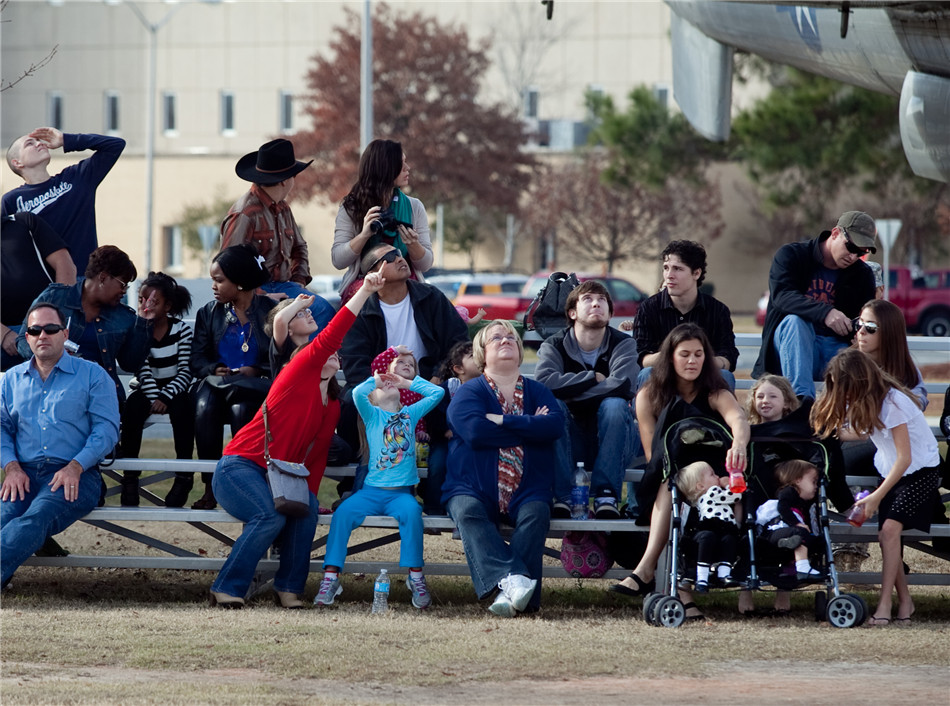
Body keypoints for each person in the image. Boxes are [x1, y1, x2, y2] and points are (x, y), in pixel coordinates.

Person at [208, 273, 385, 609]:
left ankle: (289, 588)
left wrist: (309, 496)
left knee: (305, 515)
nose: (335, 354)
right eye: (329, 351)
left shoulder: (331, 403)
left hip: (279, 475)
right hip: (240, 468)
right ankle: (226, 587)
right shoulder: (297, 368)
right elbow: (334, 332)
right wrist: (365, 289)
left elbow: (315, 457)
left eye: (337, 355)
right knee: (269, 517)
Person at [609, 324, 749, 622]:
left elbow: (737, 417)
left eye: (699, 354)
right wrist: (685, 479)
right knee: (669, 484)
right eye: (684, 354)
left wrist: (738, 443)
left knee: (682, 491)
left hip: (717, 482)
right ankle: (660, 577)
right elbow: (652, 455)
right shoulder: (649, 396)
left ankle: (653, 575)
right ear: (669, 358)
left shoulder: (715, 392)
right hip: (670, 474)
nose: (692, 361)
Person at [811, 348, 941, 626]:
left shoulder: (893, 401)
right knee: (887, 535)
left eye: (844, 387)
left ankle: (885, 605)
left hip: (919, 472)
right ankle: (905, 600)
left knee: (889, 531)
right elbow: (865, 430)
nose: (843, 395)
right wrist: (829, 433)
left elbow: (905, 458)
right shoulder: (868, 400)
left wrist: (876, 497)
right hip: (892, 469)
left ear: (858, 381)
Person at [443, 320, 564, 617]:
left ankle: (509, 594)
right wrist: (530, 426)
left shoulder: (538, 391)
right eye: (496, 337)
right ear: (482, 352)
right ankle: (516, 581)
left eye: (511, 337)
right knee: (467, 511)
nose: (505, 340)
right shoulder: (468, 393)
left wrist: (502, 420)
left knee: (536, 513)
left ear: (521, 352)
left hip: (528, 486)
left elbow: (555, 426)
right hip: (472, 486)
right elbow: (474, 432)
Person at [1, 303, 119, 587]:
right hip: (24, 475)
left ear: (64, 334)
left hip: (76, 475)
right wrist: (12, 467)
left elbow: (106, 431)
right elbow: (2, 429)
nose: (43, 335)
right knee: (4, 518)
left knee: (34, 518)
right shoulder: (10, 381)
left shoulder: (93, 375)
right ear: (26, 337)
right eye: (34, 330)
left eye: (50, 329)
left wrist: (76, 466)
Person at [313, 364, 443, 609]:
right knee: (342, 514)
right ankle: (331, 577)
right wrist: (376, 380)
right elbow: (356, 394)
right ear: (373, 398)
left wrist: (408, 383)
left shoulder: (410, 414)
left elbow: (437, 394)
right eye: (383, 387)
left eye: (392, 385)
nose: (389, 385)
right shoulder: (372, 415)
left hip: (401, 496)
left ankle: (415, 577)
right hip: (370, 493)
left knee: (413, 513)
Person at [337, 244, 467, 455]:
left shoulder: (431, 297)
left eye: (399, 253)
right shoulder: (361, 309)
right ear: (372, 273)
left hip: (428, 386)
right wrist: (382, 390)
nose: (399, 258)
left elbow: (458, 343)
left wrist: (437, 374)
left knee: (439, 458)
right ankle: (357, 476)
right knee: (351, 402)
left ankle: (433, 468)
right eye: (389, 257)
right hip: (381, 391)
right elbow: (354, 364)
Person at [535, 280, 640, 519]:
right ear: (572, 312)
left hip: (617, 441)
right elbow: (543, 384)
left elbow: (622, 386)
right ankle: (562, 496)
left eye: (602, 300)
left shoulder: (624, 344)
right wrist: (592, 378)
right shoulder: (554, 344)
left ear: (610, 313)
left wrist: (570, 392)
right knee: (555, 407)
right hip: (571, 442)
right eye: (588, 299)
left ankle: (606, 495)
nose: (596, 304)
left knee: (614, 405)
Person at [183, 244, 276, 510]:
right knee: (204, 406)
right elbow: (197, 359)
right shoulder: (209, 313)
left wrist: (256, 370)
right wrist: (213, 368)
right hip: (216, 385)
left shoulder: (270, 312)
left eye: (219, 280)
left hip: (253, 388)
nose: (213, 286)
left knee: (241, 410)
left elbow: (280, 358)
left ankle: (246, 485)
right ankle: (211, 486)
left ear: (241, 281)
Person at [753, 211, 877, 398]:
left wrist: (857, 334)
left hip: (833, 348)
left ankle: (844, 414)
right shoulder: (792, 255)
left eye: (861, 252)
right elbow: (782, 296)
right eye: (851, 247)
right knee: (796, 322)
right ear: (835, 233)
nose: (853, 257)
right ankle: (802, 402)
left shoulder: (863, 274)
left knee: (849, 355)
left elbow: (863, 316)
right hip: (792, 347)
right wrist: (826, 312)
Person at [16, 245, 151, 408]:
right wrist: (52, 356)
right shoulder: (55, 298)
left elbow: (131, 364)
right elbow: (23, 341)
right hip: (53, 389)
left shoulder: (124, 317)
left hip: (100, 395)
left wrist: (143, 322)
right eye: (122, 284)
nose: (124, 291)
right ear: (103, 277)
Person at [221, 138, 334, 328]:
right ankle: (302, 357)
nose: (294, 181)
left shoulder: (283, 208)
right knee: (318, 312)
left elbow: (300, 247)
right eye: (293, 176)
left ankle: (308, 357)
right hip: (255, 292)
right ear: (283, 181)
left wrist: (298, 282)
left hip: (284, 286)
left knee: (324, 311)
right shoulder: (245, 214)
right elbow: (227, 266)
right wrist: (260, 295)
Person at [2, 127, 125, 272]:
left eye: (39, 140)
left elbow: (115, 145)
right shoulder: (12, 200)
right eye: (30, 144)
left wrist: (66, 140)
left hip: (86, 281)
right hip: (43, 287)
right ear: (17, 163)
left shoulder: (76, 178)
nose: (39, 143)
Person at [118, 273, 194, 506]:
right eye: (141, 300)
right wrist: (154, 397)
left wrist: (165, 396)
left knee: (184, 408)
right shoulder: (139, 330)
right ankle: (130, 478)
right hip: (148, 387)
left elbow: (186, 371)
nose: (145, 305)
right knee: (132, 408)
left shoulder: (182, 330)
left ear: (168, 305)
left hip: (175, 387)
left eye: (153, 301)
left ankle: (184, 475)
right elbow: (141, 368)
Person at [332, 139, 433, 301]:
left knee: (430, 299)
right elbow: (338, 260)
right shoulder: (351, 207)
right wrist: (364, 235)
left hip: (406, 281)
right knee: (371, 295)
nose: (408, 168)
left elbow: (425, 264)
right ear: (386, 168)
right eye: (402, 164)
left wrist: (413, 245)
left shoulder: (414, 207)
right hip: (366, 282)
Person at [633, 240, 738, 391]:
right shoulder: (648, 309)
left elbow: (728, 358)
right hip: (662, 378)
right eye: (666, 268)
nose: (669, 275)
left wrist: (694, 361)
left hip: (703, 377)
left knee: (724, 375)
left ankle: (712, 415)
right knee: (647, 374)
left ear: (696, 273)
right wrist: (678, 356)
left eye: (677, 269)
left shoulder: (717, 310)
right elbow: (641, 358)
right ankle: (649, 415)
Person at [1, 212, 76, 371]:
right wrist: (4, 335)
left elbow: (64, 264)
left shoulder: (24, 222)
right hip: (6, 334)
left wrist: (57, 319)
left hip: (49, 325)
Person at [423, 340, 480, 515]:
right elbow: (431, 413)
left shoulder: (488, 387)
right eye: (473, 356)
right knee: (438, 464)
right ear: (458, 369)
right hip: (445, 439)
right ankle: (433, 507)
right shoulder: (448, 389)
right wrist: (444, 430)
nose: (480, 358)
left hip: (474, 440)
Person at [675, 461, 742, 592]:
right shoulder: (712, 492)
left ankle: (702, 579)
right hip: (715, 528)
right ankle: (723, 575)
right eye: (712, 475)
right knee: (728, 540)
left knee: (727, 540)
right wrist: (729, 483)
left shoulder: (698, 502)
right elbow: (735, 495)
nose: (717, 476)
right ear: (700, 486)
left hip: (714, 534)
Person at [754, 459, 823, 580]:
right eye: (813, 482)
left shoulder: (802, 502)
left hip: (786, 533)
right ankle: (802, 568)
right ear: (798, 480)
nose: (816, 486)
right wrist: (797, 523)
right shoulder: (788, 491)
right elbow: (782, 507)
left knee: (816, 540)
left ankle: (790, 567)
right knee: (800, 532)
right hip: (774, 532)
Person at [854, 299, 929, 409]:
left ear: (889, 331)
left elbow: (919, 402)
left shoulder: (906, 368)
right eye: (860, 323)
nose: (861, 331)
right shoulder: (848, 364)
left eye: (870, 327)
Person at [265, 293, 318, 376]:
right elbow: (280, 319)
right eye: (300, 314)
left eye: (306, 311)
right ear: (287, 329)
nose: (308, 314)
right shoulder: (284, 349)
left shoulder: (314, 347)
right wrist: (299, 303)